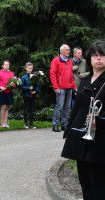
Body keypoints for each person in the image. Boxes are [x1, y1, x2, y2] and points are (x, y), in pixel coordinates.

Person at [61, 40, 105, 200]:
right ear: (90, 58)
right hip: (80, 136)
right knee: (84, 180)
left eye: (102, 55)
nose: (98, 58)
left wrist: (99, 121)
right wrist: (68, 131)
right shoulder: (85, 81)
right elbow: (77, 108)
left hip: (100, 139)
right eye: (95, 55)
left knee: (98, 182)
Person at [50, 44, 77, 132]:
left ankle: (64, 125)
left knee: (67, 108)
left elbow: (71, 75)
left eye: (69, 50)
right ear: (61, 51)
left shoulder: (69, 61)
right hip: (60, 88)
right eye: (67, 50)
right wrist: (55, 87)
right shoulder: (55, 60)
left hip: (69, 87)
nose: (69, 51)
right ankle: (55, 125)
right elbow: (52, 74)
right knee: (59, 107)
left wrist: (74, 86)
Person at [0, 60, 15, 128]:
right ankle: (2, 123)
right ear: (2, 66)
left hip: (8, 92)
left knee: (7, 107)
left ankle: (6, 122)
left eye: (8, 65)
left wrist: (13, 85)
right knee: (3, 106)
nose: (7, 66)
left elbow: (14, 84)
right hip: (1, 92)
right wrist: (0, 87)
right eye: (5, 65)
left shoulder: (11, 73)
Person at [21, 62, 39, 129]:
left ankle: (31, 123)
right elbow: (22, 86)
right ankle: (25, 123)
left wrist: (35, 91)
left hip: (33, 95)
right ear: (26, 68)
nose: (30, 69)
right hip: (26, 95)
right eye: (28, 68)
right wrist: (28, 88)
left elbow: (37, 85)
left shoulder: (34, 76)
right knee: (26, 109)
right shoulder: (24, 77)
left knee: (32, 109)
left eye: (31, 68)